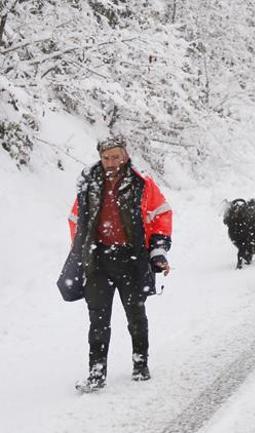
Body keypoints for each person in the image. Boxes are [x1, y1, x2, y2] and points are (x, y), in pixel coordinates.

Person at [62, 135, 172, 392]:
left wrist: (157, 250)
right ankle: (96, 372)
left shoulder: (141, 183)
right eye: (105, 157)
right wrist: (80, 252)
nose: (110, 162)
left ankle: (140, 363)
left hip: (131, 259)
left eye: (115, 156)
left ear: (125, 155)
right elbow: (76, 220)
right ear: (100, 157)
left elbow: (162, 214)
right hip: (98, 260)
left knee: (136, 315)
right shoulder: (89, 183)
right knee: (98, 320)